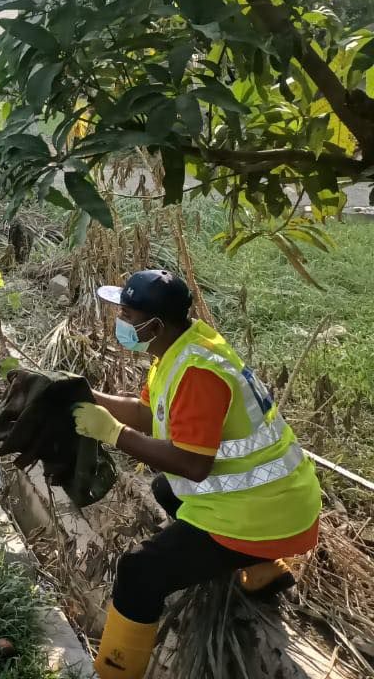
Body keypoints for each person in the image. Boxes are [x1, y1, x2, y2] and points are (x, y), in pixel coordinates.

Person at [75, 269, 322, 679]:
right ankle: (262, 571)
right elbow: (148, 415)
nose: (121, 320)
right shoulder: (180, 348)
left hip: (268, 515)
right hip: (274, 501)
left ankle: (115, 672)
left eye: (128, 314)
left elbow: (192, 463)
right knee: (164, 489)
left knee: (139, 574)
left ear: (156, 323)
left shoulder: (197, 373)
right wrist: (88, 394)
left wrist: (113, 435)